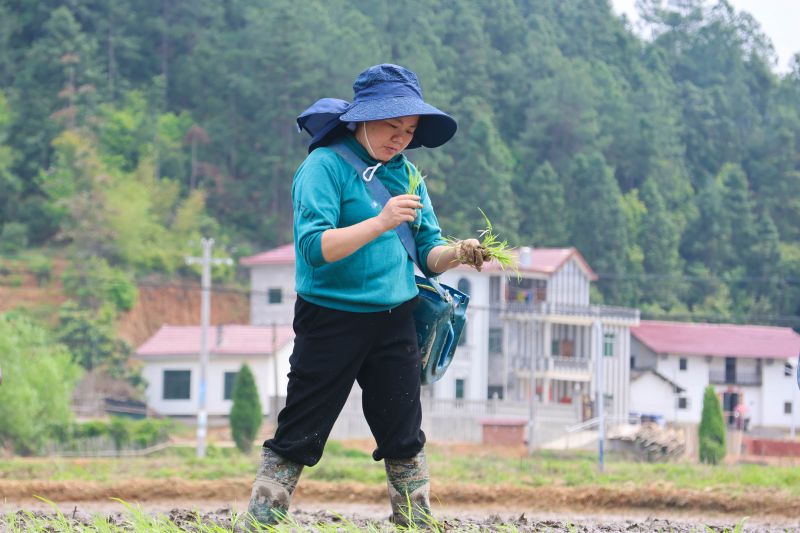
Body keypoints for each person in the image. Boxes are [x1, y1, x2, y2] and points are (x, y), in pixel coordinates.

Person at [246, 64, 489, 526]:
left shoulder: (408, 176)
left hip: (395, 316)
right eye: (391, 126)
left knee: (403, 430)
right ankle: (262, 519)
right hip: (330, 317)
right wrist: (381, 221)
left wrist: (458, 252)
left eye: (409, 130)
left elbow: (427, 251)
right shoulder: (323, 167)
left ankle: (416, 520)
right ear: (361, 118)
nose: (400, 139)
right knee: (301, 425)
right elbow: (314, 249)